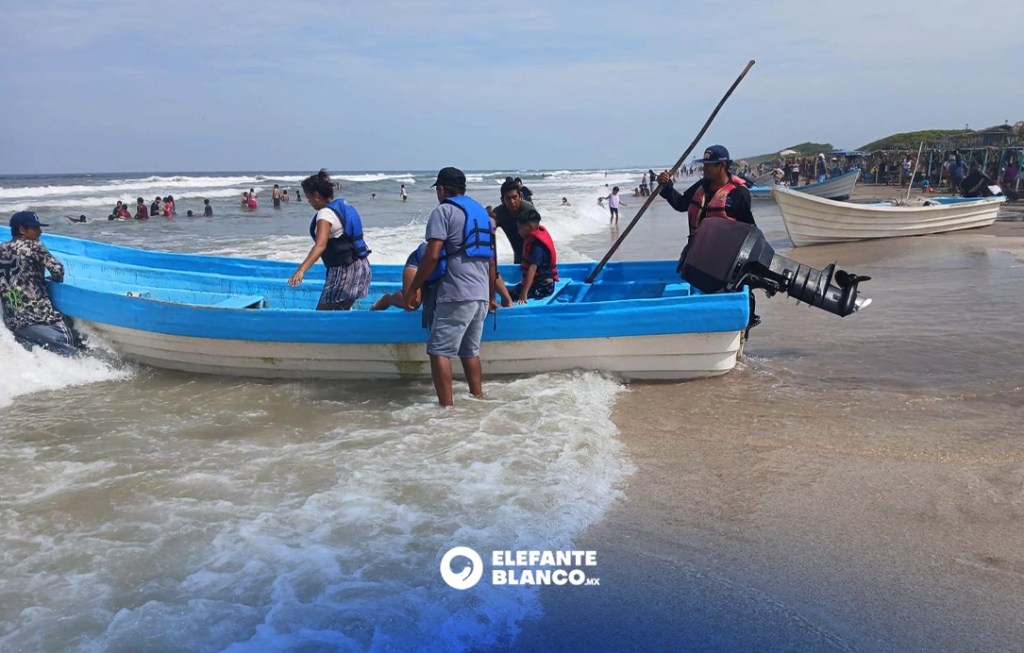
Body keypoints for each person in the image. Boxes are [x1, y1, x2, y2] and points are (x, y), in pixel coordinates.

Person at [404, 167, 496, 407]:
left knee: (439, 351)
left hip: (456, 293)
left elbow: (432, 255)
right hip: (480, 294)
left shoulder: (443, 211)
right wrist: (491, 296)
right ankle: (478, 398)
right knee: (470, 351)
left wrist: (414, 287)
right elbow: (491, 259)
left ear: (442, 189)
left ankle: (447, 409)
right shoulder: (482, 213)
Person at [0, 212, 83, 356]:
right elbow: (57, 269)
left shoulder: (2, 248)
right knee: (76, 349)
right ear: (22, 230)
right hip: (41, 318)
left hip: (13, 321)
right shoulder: (35, 246)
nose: (40, 232)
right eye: (35, 228)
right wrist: (53, 281)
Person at [288, 169, 372, 310]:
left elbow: (320, 246)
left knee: (322, 314)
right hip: (361, 267)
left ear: (316, 195)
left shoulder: (325, 214)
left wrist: (301, 270)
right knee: (341, 312)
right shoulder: (342, 205)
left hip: (344, 271)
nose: (308, 201)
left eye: (308, 198)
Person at [508, 210, 558, 304]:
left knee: (508, 295)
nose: (518, 232)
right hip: (540, 283)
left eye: (520, 228)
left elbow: (532, 269)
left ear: (530, 227)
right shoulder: (537, 236)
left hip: (543, 287)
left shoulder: (537, 245)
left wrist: (524, 293)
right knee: (508, 290)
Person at [491, 179, 538, 264]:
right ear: (502, 200)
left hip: (534, 255)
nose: (512, 202)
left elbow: (537, 237)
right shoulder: (498, 213)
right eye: (508, 198)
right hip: (518, 255)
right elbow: (487, 233)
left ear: (520, 196)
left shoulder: (528, 209)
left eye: (514, 197)